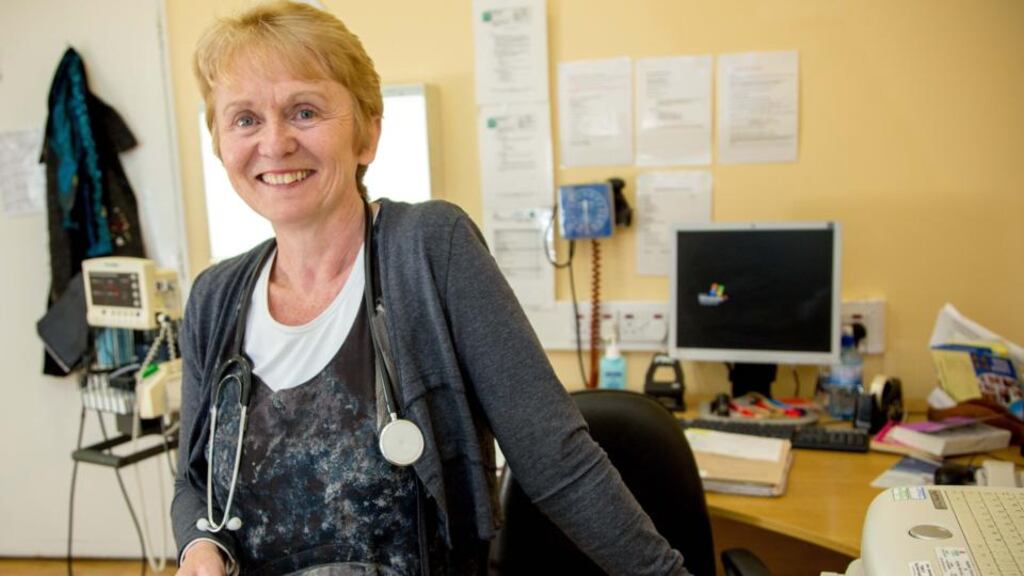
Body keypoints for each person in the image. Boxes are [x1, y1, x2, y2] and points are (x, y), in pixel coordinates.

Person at [172, 2, 690, 575]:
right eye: (244, 119)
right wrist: (200, 547)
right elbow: (193, 483)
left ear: (367, 133)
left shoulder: (429, 248)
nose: (274, 143)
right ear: (221, 145)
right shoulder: (214, 298)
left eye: (304, 111)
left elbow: (556, 461)